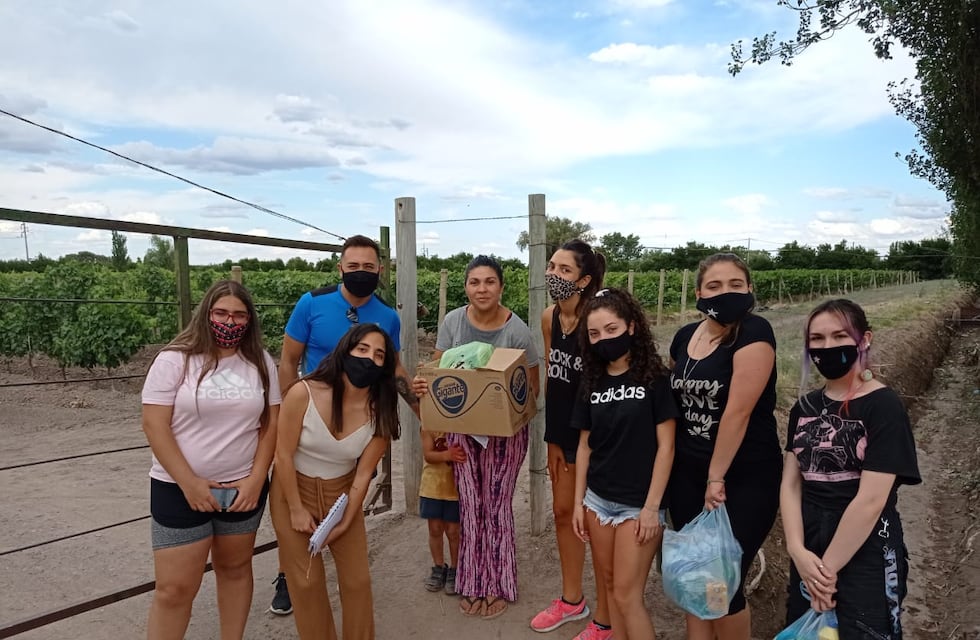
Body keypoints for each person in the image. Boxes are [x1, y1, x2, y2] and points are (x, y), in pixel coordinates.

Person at [271, 233, 420, 614]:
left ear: (380, 271)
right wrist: (291, 408)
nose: (360, 272)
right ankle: (289, 573)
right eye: (353, 266)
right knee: (297, 491)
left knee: (348, 487)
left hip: (360, 421)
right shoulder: (312, 304)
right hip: (313, 415)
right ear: (340, 267)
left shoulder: (387, 316)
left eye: (368, 267)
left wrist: (422, 411)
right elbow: (289, 360)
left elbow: (394, 368)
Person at [141, 280, 280, 640]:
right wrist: (189, 483)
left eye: (238, 315)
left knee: (235, 569)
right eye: (221, 313)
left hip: (242, 490)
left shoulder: (261, 362)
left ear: (249, 320)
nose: (229, 322)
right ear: (206, 314)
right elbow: (155, 425)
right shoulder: (174, 359)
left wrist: (256, 478)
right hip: (178, 489)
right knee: (174, 589)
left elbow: (271, 423)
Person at [782, 299, 920, 636]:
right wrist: (797, 550)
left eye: (839, 335)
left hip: (867, 549)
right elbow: (790, 484)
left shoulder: (883, 406)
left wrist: (825, 573)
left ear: (865, 339)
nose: (827, 347)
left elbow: (871, 501)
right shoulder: (804, 407)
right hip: (809, 547)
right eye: (817, 339)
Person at [413, 254, 540, 620]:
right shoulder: (454, 322)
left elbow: (531, 387)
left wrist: (502, 399)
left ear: (501, 286)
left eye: (489, 282)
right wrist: (425, 383)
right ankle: (471, 581)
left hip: (506, 436)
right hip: (463, 431)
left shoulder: (516, 330)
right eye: (474, 282)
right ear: (466, 287)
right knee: (469, 505)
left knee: (496, 507)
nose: (482, 289)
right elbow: (438, 372)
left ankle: (498, 583)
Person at [666, 252, 782, 640]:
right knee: (695, 574)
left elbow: (738, 413)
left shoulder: (755, 332)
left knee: (725, 580)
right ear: (699, 292)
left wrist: (715, 478)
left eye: (736, 284)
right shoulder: (684, 337)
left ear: (749, 289)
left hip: (744, 477)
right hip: (687, 474)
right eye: (714, 286)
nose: (725, 292)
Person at [269, 323, 401, 640]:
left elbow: (362, 477)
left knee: (357, 581)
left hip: (341, 494)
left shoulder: (380, 410)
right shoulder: (303, 392)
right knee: (306, 582)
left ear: (385, 365)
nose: (369, 358)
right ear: (346, 350)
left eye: (379, 354)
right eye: (362, 349)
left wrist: (347, 518)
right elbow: (282, 456)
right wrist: (297, 509)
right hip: (291, 491)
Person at [571, 288, 677, 640]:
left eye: (611, 330)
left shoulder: (655, 379)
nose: (603, 340)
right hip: (597, 503)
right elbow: (585, 445)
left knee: (629, 596)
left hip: (638, 507)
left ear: (631, 327)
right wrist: (577, 503)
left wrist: (651, 508)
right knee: (612, 585)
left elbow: (666, 447)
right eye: (595, 333)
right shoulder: (591, 380)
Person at [531, 239, 613, 640]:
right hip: (562, 434)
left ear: (583, 280)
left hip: (597, 439)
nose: (553, 276)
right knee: (565, 514)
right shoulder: (549, 318)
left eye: (564, 271)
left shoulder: (597, 321)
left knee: (598, 527)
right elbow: (554, 381)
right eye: (551, 267)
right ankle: (571, 599)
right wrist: (550, 439)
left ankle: (606, 617)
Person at [419, 428, 465, 595]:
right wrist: (448, 455)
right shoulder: (428, 425)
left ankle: (455, 568)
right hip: (432, 487)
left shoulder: (461, 425)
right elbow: (428, 455)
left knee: (454, 531)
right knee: (435, 529)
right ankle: (438, 567)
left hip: (455, 489)